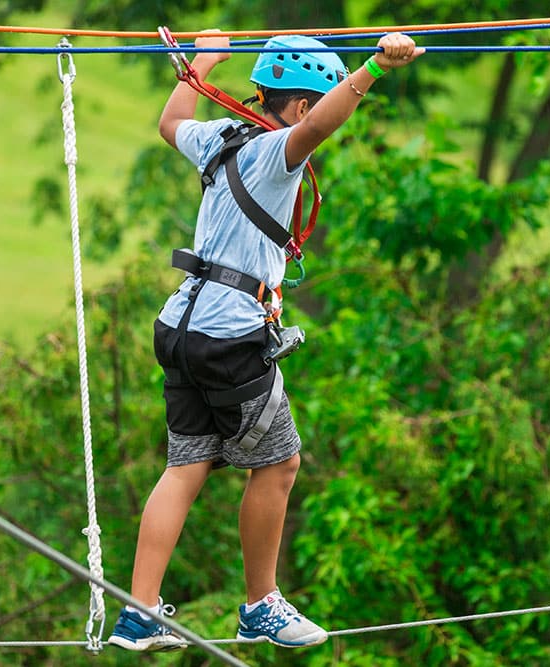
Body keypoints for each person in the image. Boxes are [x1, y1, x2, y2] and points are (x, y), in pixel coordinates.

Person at [106, 30, 424, 652]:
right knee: (279, 464)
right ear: (302, 105)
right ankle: (260, 605)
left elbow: (173, 122)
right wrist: (372, 71)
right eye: (322, 100)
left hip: (181, 328)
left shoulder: (220, 141)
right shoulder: (280, 150)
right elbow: (318, 130)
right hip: (229, 335)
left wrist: (200, 62)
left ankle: (138, 610)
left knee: (187, 464)